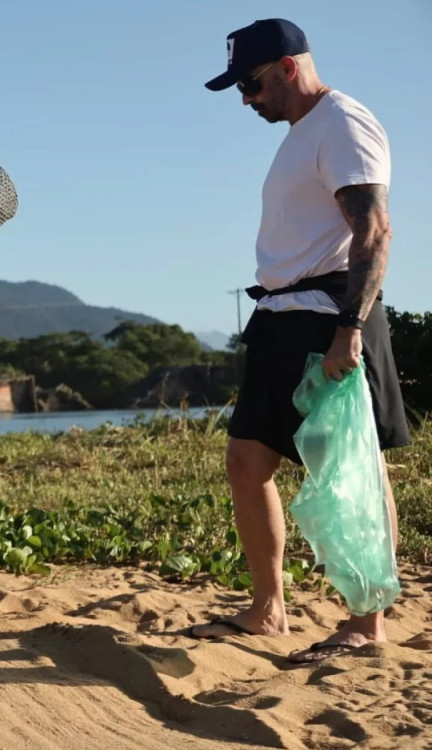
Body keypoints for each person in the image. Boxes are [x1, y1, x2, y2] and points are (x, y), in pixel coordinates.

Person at [190, 19, 410, 664]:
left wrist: (348, 330)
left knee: (350, 472)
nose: (246, 99)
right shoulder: (300, 134)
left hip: (328, 316)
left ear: (288, 67)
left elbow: (373, 231)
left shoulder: (343, 122)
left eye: (251, 84)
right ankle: (267, 609)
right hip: (282, 318)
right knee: (246, 462)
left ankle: (367, 623)